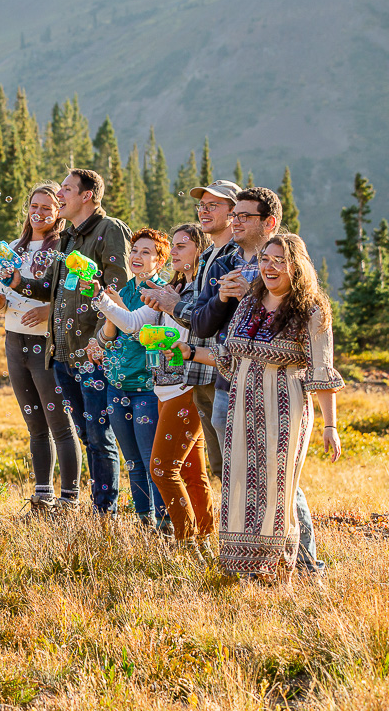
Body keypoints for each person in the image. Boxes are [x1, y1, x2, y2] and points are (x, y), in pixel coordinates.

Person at [189, 187, 324, 575]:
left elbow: (307, 321)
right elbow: (200, 324)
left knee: (278, 475)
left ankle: (303, 559)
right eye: (235, 216)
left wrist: (257, 289)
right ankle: (252, 558)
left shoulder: (285, 265)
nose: (235, 222)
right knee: (233, 471)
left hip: (277, 388)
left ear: (270, 222)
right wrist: (223, 300)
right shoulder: (222, 264)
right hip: (228, 379)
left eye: (244, 216)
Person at [215, 234, 342, 583]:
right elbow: (228, 359)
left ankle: (285, 568)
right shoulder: (248, 304)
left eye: (279, 260)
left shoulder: (311, 310)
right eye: (265, 259)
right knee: (240, 480)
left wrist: (331, 427)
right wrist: (186, 351)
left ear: (296, 265)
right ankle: (246, 568)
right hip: (242, 408)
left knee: (277, 487)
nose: (269, 267)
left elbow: (322, 373)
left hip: (285, 409)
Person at [96, 224, 217, 552]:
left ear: (200, 252)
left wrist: (175, 341)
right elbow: (134, 324)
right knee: (191, 472)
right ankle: (205, 542)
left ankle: (184, 541)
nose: (175, 251)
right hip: (164, 390)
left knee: (162, 468)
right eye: (173, 245)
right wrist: (104, 301)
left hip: (185, 388)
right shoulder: (173, 287)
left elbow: (198, 332)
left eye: (182, 246)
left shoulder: (200, 291)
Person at [0, 182, 79, 512]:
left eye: (47, 208)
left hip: (47, 343)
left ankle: (69, 503)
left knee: (60, 425)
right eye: (34, 206)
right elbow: (2, 297)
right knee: (34, 424)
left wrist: (48, 309)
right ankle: (42, 499)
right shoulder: (12, 246)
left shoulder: (64, 250)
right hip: (14, 341)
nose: (38, 213)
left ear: (59, 213)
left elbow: (73, 297)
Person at [139, 180, 240, 478]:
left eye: (214, 205)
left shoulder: (234, 257)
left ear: (234, 212)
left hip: (221, 371)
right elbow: (200, 318)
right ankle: (227, 526)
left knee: (242, 465)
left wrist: (173, 305)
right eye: (202, 205)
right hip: (198, 372)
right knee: (220, 467)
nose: (204, 211)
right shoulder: (209, 258)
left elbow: (209, 318)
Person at [44, 169, 132, 514]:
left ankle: (104, 513)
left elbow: (120, 292)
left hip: (95, 354)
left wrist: (100, 342)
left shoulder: (110, 230)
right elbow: (57, 290)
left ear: (87, 196)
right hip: (65, 354)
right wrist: (16, 280)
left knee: (100, 438)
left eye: (66, 189)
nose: (58, 195)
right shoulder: (66, 237)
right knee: (86, 435)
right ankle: (100, 506)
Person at [88, 228, 170, 528]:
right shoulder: (125, 290)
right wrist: (107, 320)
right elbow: (111, 337)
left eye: (146, 252)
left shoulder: (161, 293)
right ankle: (144, 519)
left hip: (147, 386)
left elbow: (138, 330)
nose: (137, 256)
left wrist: (112, 306)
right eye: (134, 250)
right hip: (116, 383)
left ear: (159, 262)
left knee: (152, 462)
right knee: (133, 462)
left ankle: (164, 522)